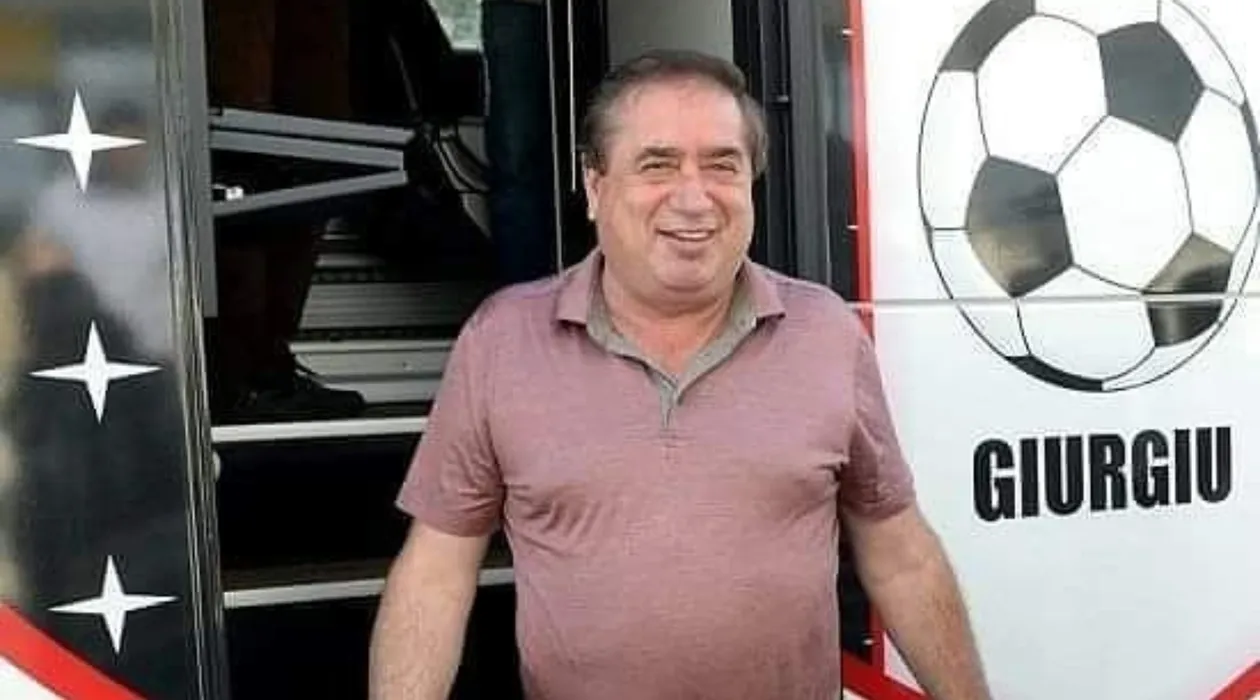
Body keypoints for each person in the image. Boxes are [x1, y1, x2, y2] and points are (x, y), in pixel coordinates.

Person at [369, 50, 991, 700]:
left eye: (722, 165)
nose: (694, 198)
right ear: (595, 185)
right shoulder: (502, 342)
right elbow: (436, 573)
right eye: (657, 164)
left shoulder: (825, 335)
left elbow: (901, 556)